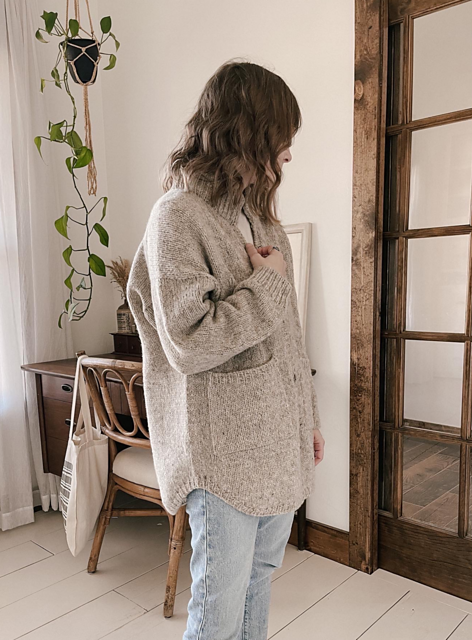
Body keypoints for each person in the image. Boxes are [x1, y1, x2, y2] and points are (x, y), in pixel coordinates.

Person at [127, 58, 325, 640]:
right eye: (282, 136)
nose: (288, 153)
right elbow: (190, 341)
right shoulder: (176, 217)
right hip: (222, 455)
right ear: (247, 131)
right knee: (217, 608)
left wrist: (307, 418)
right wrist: (268, 284)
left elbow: (287, 337)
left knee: (258, 582)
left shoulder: (260, 219)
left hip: (275, 440)